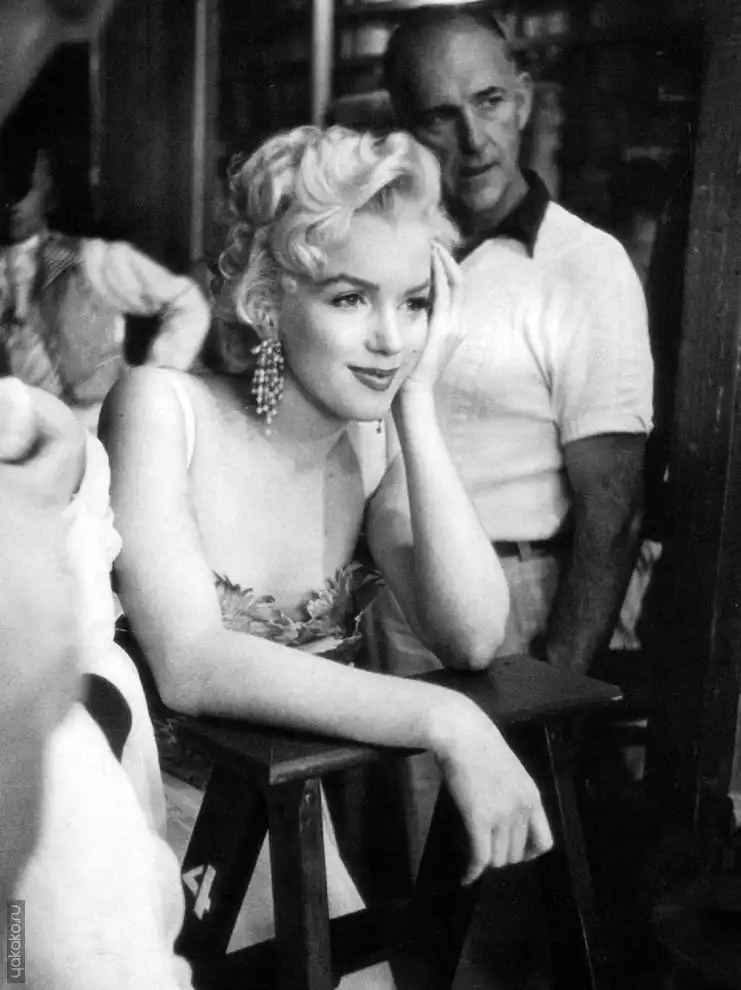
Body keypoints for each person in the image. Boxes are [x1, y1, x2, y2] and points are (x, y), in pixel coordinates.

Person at [101, 124, 554, 986]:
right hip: (133, 834)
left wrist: (417, 404)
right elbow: (192, 665)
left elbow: (471, 637)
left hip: (275, 830)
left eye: (412, 303)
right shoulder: (158, 407)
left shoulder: (373, 448)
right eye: (350, 299)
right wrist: (446, 720)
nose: (390, 337)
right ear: (269, 302)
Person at [380, 4, 653, 676]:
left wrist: (556, 680)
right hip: (378, 594)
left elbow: (613, 510)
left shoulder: (585, 264)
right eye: (440, 116)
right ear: (404, 128)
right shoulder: (384, 256)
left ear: (523, 101)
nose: (474, 139)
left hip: (512, 602)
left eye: (490, 101)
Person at [0, 130, 211, 432]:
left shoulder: (91, 260)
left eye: (22, 189)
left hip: (100, 434)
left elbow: (187, 302)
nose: (11, 206)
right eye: (4, 194)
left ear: (45, 187)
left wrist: (146, 391)